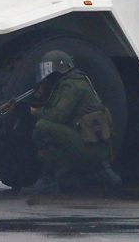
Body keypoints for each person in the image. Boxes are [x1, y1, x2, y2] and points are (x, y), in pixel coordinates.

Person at [22, 50, 121, 194]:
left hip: (89, 148)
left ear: (60, 68)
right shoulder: (78, 80)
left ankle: (49, 181)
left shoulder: (70, 85)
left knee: (42, 127)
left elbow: (57, 115)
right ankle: (98, 171)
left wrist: (35, 112)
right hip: (97, 147)